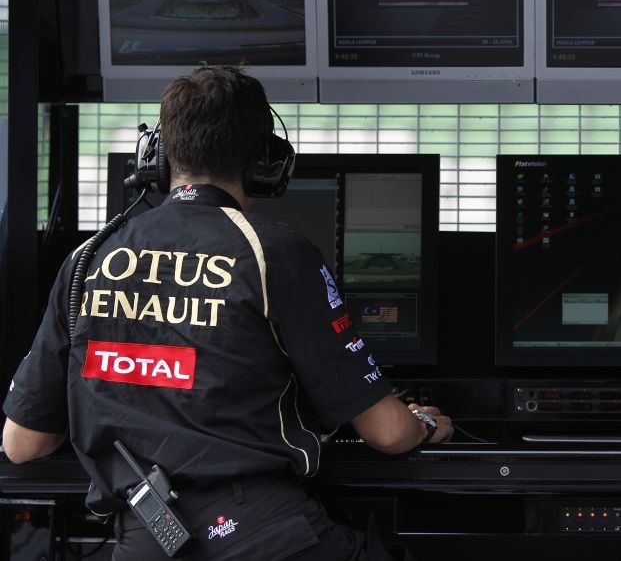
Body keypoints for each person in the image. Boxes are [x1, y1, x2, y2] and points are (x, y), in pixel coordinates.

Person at [2, 65, 452, 560]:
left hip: (147, 540)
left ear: (157, 156)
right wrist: (424, 424)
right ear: (265, 160)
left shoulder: (88, 260)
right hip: (265, 533)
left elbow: (22, 444)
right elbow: (389, 433)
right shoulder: (275, 254)